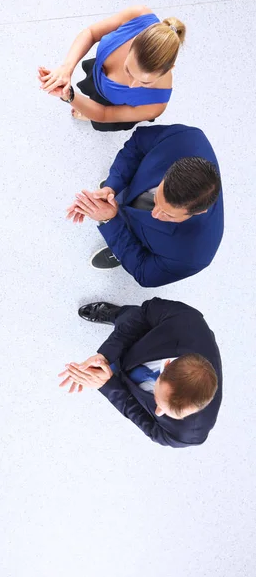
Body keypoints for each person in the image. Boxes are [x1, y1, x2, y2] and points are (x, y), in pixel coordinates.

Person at [67, 124, 224, 287]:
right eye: (156, 199)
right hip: (135, 189)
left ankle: (123, 249)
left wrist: (111, 222)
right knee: (127, 198)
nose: (155, 214)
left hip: (146, 244)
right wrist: (112, 186)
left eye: (168, 214)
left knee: (133, 250)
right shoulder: (185, 137)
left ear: (200, 211)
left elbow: (144, 272)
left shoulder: (193, 255)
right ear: (169, 172)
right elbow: (137, 145)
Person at [58, 298, 222, 448]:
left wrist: (107, 385)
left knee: (118, 373)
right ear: (166, 365)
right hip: (150, 339)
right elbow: (142, 314)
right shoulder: (185, 319)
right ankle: (115, 315)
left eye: (166, 412)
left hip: (134, 372)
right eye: (159, 401)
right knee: (130, 318)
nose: (157, 412)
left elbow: (145, 422)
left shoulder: (188, 435)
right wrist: (105, 356)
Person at [38, 6, 185, 131]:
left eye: (145, 83)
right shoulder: (138, 16)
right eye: (128, 69)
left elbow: (105, 114)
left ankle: (87, 114)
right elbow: (91, 33)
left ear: (169, 69)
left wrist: (69, 95)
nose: (131, 84)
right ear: (133, 43)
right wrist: (67, 68)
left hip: (112, 106)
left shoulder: (155, 104)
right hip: (98, 74)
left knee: (96, 117)